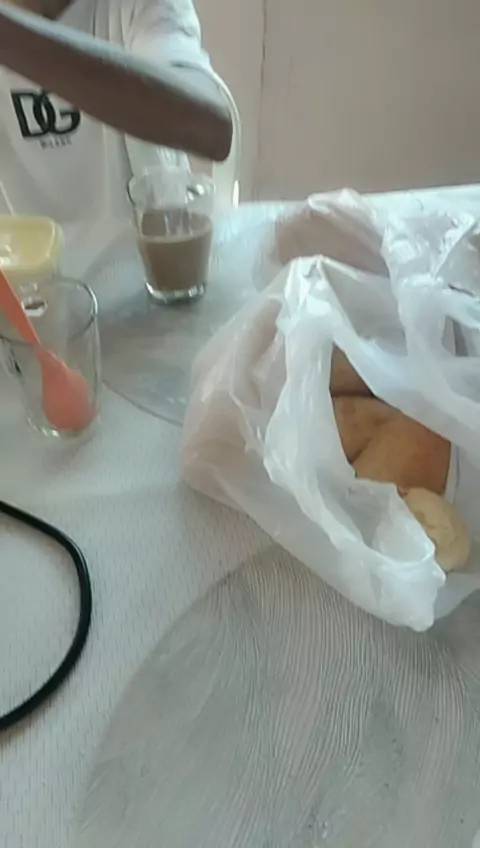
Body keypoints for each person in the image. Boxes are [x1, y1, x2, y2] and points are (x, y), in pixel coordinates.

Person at [0, 0, 233, 220]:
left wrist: (11, 38)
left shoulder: (134, 7)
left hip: (149, 244)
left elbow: (211, 127)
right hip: (15, 249)